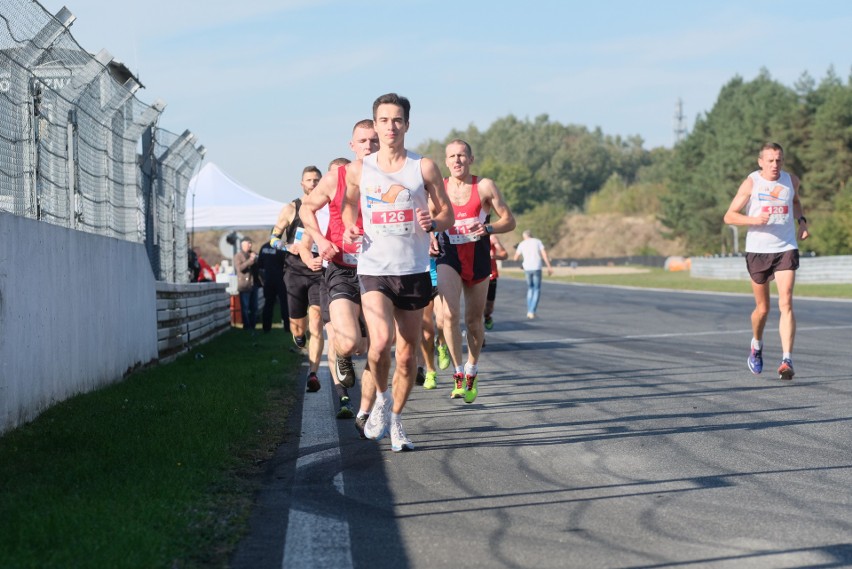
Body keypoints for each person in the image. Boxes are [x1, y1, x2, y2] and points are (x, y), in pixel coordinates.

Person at [311, 93, 454, 452]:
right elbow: (345, 207)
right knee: (378, 344)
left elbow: (447, 214)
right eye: (384, 120)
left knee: (407, 356)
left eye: (397, 120)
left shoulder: (424, 167)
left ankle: (396, 419)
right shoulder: (360, 169)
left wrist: (432, 221)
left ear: (407, 124)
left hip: (414, 268)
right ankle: (378, 400)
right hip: (374, 269)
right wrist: (349, 227)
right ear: (375, 125)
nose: (391, 127)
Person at [299, 120, 380, 427]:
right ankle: (343, 357)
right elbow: (307, 209)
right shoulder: (337, 177)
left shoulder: (393, 176)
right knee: (347, 343)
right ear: (352, 145)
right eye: (363, 141)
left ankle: (367, 411)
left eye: (374, 141)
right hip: (342, 269)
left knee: (378, 345)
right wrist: (320, 241)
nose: (369, 146)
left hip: (379, 269)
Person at [436, 139, 516, 403]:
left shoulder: (484, 186)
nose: (457, 160)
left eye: (461, 155)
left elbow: (509, 220)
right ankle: (457, 373)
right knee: (449, 314)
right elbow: (428, 217)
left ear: (470, 159)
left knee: (473, 322)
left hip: (479, 257)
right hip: (449, 256)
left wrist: (489, 228)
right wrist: (430, 235)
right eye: (452, 156)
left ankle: (472, 369)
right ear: (445, 161)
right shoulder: (440, 187)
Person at [723, 142, 809, 380]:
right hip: (758, 251)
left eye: (779, 160)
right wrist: (753, 220)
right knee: (763, 309)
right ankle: (757, 345)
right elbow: (729, 216)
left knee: (787, 303)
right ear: (760, 161)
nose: (775, 165)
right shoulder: (752, 183)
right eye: (770, 160)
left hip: (785, 247)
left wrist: (802, 221)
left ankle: (786, 359)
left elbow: (795, 201)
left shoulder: (791, 180)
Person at [269, 166, 326, 392]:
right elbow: (273, 239)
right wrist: (286, 245)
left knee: (317, 322)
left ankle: (312, 373)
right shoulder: (291, 209)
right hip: (293, 272)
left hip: (318, 272)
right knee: (299, 328)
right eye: (309, 180)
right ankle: (299, 337)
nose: (313, 183)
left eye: (317, 180)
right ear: (302, 184)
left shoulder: (326, 209)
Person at [513, 229, 553, 319]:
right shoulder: (538, 242)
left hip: (527, 267)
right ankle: (532, 311)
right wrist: (549, 267)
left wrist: (521, 265)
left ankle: (529, 310)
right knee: (537, 289)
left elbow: (515, 258)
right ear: (531, 235)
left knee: (530, 288)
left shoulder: (522, 244)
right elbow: (544, 255)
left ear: (524, 236)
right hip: (537, 267)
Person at [257, 238, 289, 333]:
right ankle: (287, 327)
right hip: (281, 279)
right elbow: (287, 263)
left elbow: (260, 264)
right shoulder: (281, 247)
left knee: (268, 303)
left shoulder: (264, 247)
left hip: (268, 279)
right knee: (284, 304)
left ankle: (266, 328)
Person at [233, 236, 259, 331]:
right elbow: (240, 268)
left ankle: (253, 325)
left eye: (251, 243)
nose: (250, 245)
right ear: (242, 244)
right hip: (244, 285)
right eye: (248, 243)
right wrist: (250, 261)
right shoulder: (238, 256)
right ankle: (247, 326)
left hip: (253, 284)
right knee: (245, 307)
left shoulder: (253, 254)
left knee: (254, 307)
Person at [484, 233, 509, 330]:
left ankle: (487, 316)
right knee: (478, 305)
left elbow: (504, 254)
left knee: (489, 307)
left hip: (491, 275)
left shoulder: (492, 238)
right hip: (477, 275)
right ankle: (479, 335)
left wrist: (494, 256)